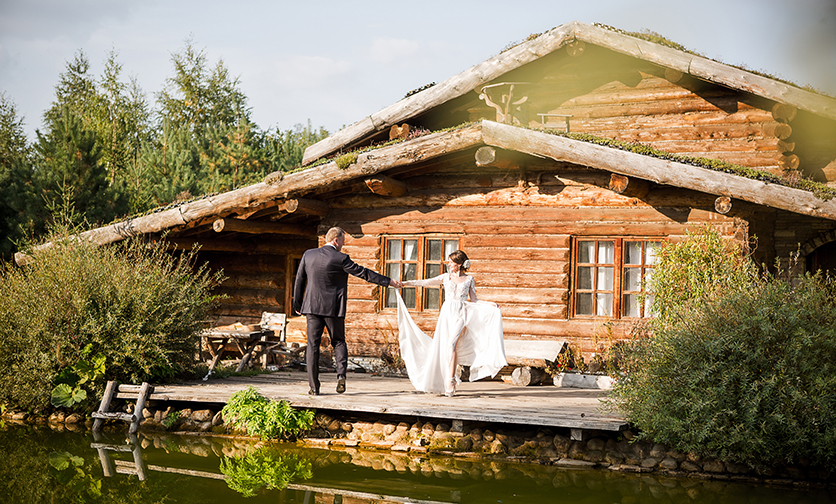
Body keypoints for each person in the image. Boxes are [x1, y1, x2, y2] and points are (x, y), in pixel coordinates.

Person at [293, 226, 402, 395]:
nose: (343, 244)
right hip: (333, 308)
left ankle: (314, 388)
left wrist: (297, 304)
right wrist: (388, 282)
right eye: (343, 241)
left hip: (312, 307)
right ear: (336, 240)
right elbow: (363, 273)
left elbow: (299, 279)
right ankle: (340, 375)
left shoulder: (309, 254)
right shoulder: (341, 258)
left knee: (312, 346)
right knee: (338, 341)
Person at [396, 250, 506, 396]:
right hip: (446, 313)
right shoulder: (446, 277)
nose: (448, 264)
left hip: (461, 313)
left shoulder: (469, 279)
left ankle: (451, 381)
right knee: (444, 346)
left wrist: (490, 304)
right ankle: (443, 378)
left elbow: (474, 300)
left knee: (451, 344)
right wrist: (405, 283)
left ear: (459, 264)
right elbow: (426, 282)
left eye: (451, 262)